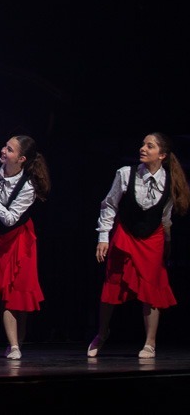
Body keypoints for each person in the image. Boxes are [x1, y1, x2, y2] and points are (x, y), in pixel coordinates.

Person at [87, 132, 189, 359]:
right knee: (112, 283)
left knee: (151, 289)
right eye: (143, 144)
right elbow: (109, 205)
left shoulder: (170, 181)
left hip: (153, 238)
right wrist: (103, 237)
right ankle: (102, 333)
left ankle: (150, 343)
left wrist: (168, 242)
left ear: (162, 155)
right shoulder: (126, 174)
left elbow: (165, 216)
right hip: (126, 234)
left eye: (149, 146)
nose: (142, 148)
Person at [0, 135, 51, 360]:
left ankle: (15, 345)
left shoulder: (28, 187)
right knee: (4, 293)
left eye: (10, 150)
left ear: (22, 159)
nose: (4, 151)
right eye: (5, 146)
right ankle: (14, 344)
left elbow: (10, 219)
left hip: (18, 241)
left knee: (16, 294)